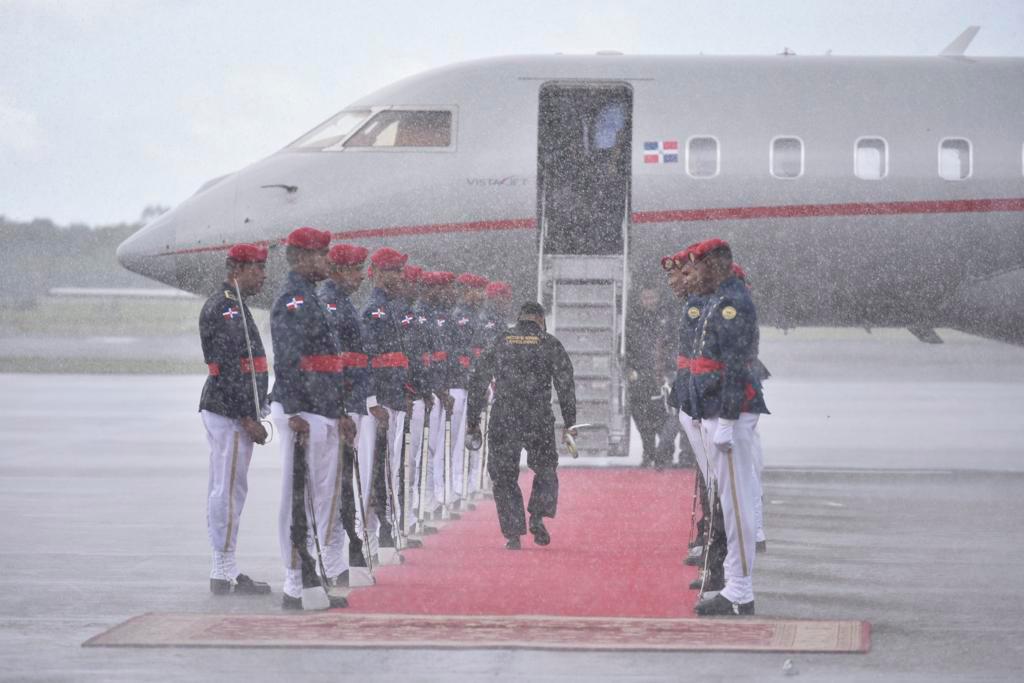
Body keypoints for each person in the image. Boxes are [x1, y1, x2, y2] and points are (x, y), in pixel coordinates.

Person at [269, 226, 354, 610]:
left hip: (321, 408)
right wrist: (292, 411)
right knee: (297, 497)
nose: (327, 261)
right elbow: (288, 360)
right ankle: (293, 579)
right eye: (321, 255)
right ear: (301, 258)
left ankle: (310, 572)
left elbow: (330, 364)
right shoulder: (293, 301)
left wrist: (338, 411)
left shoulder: (311, 298)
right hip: (303, 409)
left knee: (321, 494)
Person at [685, 239, 769, 617]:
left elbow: (736, 365)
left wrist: (729, 421)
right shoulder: (721, 298)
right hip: (716, 409)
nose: (694, 274)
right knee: (730, 505)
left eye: (699, 266)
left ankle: (740, 590)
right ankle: (737, 584)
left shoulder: (734, 303)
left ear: (716, 265)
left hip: (728, 413)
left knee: (736, 507)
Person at [466, 302, 577, 549]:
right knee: (546, 468)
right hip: (538, 415)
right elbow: (566, 385)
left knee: (504, 476)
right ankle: (537, 515)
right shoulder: (549, 343)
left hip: (505, 415)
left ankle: (513, 533)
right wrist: (569, 423)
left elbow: (478, 381)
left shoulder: (501, 340)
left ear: (519, 318)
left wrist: (472, 421)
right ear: (540, 319)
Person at [198, 243, 272, 596]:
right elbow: (227, 370)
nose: (262, 274)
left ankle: (226, 565)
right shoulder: (225, 308)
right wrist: (246, 417)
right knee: (227, 491)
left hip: (235, 412)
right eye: (256, 267)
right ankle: (223, 569)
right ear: (235, 269)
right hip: (230, 413)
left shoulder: (235, 304)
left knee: (231, 489)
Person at [318, 243, 372, 569]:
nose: (361, 276)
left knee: (343, 483)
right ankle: (333, 556)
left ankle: (341, 550)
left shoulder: (344, 304)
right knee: (334, 486)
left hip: (350, 401)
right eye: (355, 269)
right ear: (338, 270)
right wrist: (341, 408)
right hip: (342, 403)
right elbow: (335, 363)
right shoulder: (332, 306)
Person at [360, 247, 412, 557]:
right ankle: (369, 536)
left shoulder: (391, 307)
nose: (400, 276)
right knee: (375, 472)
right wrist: (372, 400)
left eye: (399, 270)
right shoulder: (375, 311)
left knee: (388, 469)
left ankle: (381, 534)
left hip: (393, 397)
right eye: (393, 271)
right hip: (382, 400)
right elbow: (368, 358)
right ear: (377, 274)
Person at [624, 286, 676, 468]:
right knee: (641, 418)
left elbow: (672, 346)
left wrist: (670, 371)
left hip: (660, 377)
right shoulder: (633, 320)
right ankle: (649, 452)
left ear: (658, 297)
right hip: (639, 378)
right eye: (645, 297)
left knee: (664, 418)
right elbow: (625, 348)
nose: (649, 301)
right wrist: (629, 368)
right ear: (640, 299)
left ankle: (665, 454)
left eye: (652, 297)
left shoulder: (667, 319)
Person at [451, 273, 489, 501]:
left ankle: (470, 484)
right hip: (462, 384)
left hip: (475, 384)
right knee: (458, 440)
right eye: (477, 289)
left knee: (473, 435)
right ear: (466, 291)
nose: (482, 294)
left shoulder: (476, 317)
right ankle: (457, 487)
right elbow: (460, 353)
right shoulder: (461, 317)